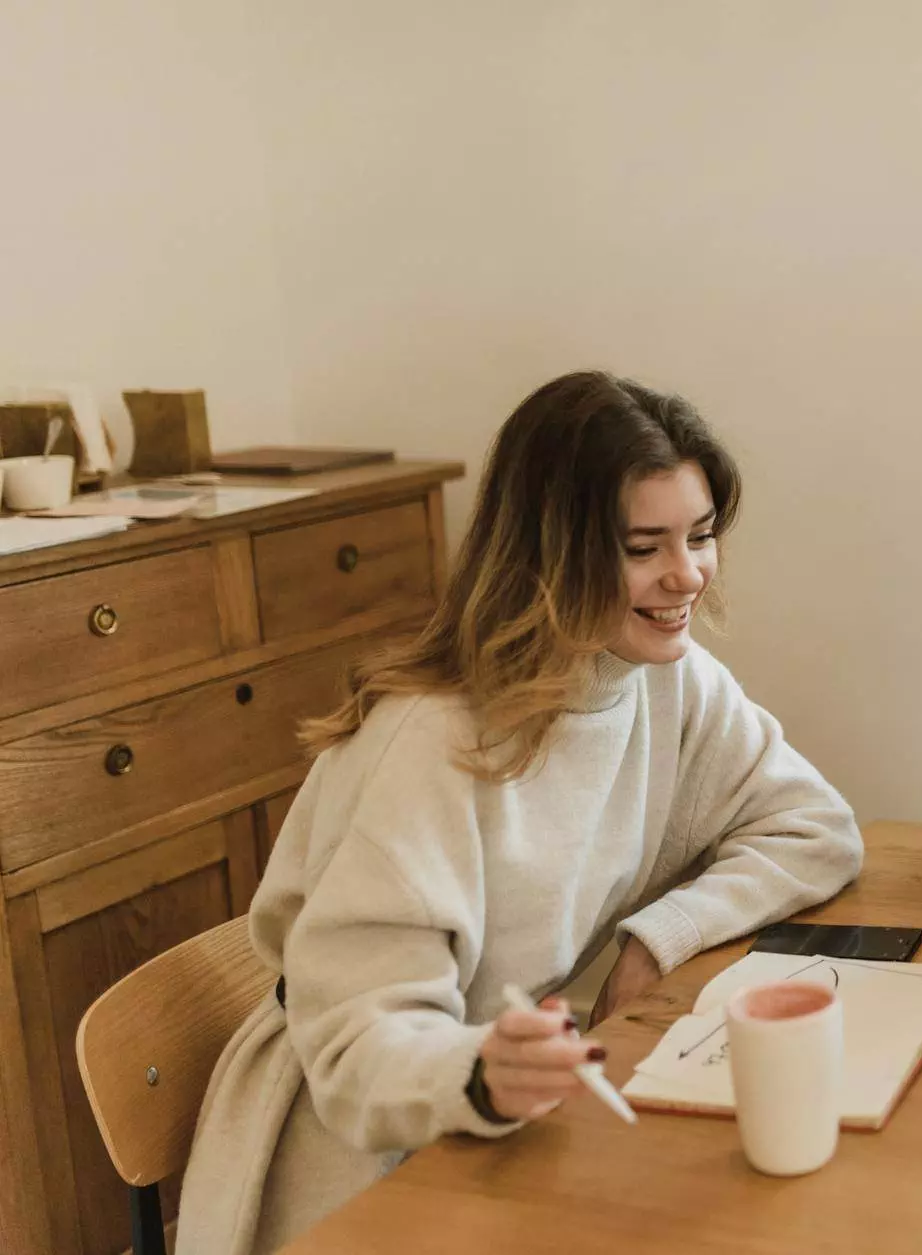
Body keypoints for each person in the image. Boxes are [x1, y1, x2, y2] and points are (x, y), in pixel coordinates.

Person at [177, 372, 863, 1255]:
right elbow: (354, 1050)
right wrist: (483, 1071)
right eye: (643, 546)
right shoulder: (430, 742)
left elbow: (815, 827)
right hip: (364, 1153)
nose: (685, 573)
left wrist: (662, 933)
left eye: (700, 535)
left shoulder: (663, 678)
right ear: (554, 554)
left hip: (511, 1115)